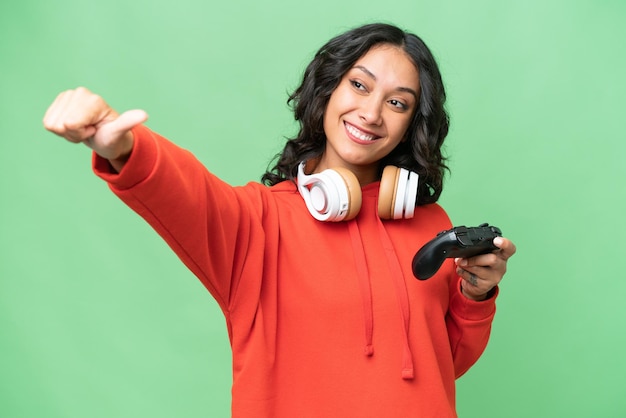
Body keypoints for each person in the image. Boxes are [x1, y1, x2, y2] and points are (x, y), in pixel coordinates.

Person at [43, 23, 516, 418]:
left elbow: (442, 364)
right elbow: (185, 194)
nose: (371, 113)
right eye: (359, 84)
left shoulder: (428, 222)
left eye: (397, 102)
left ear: (413, 122)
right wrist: (122, 146)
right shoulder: (258, 223)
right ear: (328, 89)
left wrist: (476, 295)